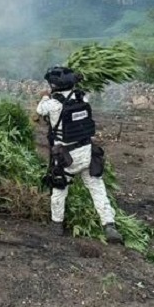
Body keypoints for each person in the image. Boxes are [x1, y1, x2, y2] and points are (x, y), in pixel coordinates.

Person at [36, 66, 123, 244]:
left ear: (54, 85)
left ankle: (57, 225)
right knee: (98, 190)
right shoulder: (82, 97)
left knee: (59, 189)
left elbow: (39, 111)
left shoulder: (53, 104)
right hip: (87, 153)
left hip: (67, 157)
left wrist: (45, 95)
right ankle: (109, 225)